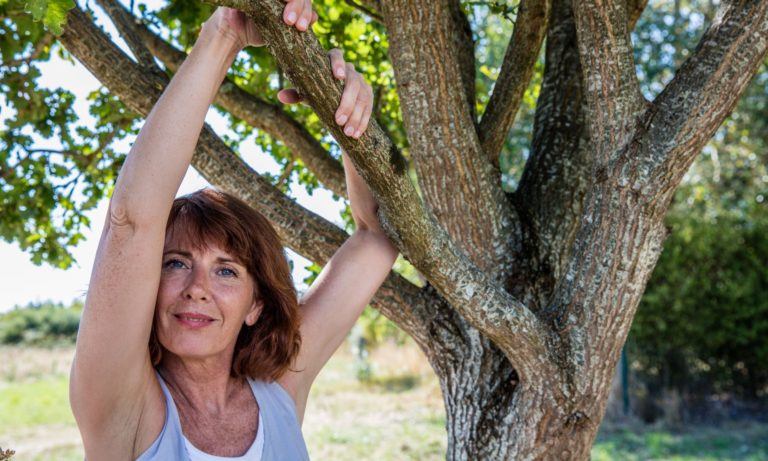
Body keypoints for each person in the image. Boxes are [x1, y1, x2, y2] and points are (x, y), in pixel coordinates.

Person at [69, 3, 397, 460]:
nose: (197, 289)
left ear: (256, 305)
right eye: (176, 263)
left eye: (226, 272)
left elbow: (379, 235)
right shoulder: (122, 407)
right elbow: (131, 224)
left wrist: (350, 118)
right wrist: (225, 34)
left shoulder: (281, 387)